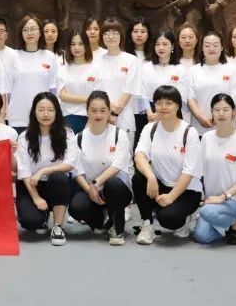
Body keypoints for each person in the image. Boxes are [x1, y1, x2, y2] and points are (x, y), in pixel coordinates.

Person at [133, 85, 203, 244]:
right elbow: (139, 155)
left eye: (169, 103)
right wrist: (150, 176)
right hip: (160, 184)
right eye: (159, 103)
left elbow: (189, 171)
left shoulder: (189, 132)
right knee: (139, 178)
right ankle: (147, 224)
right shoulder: (150, 128)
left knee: (168, 219)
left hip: (187, 190)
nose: (163, 107)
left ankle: (184, 219)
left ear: (178, 105)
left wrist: (171, 197)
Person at [69, 91, 134, 245]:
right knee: (76, 207)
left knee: (113, 183)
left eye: (103, 110)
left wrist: (95, 183)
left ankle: (117, 229)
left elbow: (117, 165)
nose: (98, 115)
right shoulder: (79, 138)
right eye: (94, 110)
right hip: (92, 190)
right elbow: (77, 170)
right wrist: (89, 189)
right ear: (87, 112)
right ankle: (100, 221)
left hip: (116, 189)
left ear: (109, 111)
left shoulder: (119, 135)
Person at [194, 94, 236, 244]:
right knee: (201, 236)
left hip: (235, 200)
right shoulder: (207, 138)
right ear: (211, 113)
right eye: (216, 110)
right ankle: (227, 222)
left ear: (234, 112)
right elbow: (200, 171)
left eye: (225, 109)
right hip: (211, 201)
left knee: (206, 212)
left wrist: (223, 197)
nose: (221, 113)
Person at [15, 93, 78, 245]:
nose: (45, 114)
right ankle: (41, 216)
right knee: (30, 222)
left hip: (56, 184)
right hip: (31, 184)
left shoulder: (67, 134)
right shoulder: (24, 137)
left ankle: (57, 227)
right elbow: (24, 171)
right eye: (41, 110)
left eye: (50, 110)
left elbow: (70, 164)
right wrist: (36, 197)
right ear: (34, 112)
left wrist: (43, 171)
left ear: (57, 112)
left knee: (58, 176)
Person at [5, 15, 63, 131]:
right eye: (25, 30)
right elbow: (8, 89)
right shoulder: (13, 56)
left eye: (33, 29)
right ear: (21, 34)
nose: (29, 33)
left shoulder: (49, 56)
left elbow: (52, 88)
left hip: (43, 117)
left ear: (40, 32)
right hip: (18, 116)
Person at [136, 30, 193, 137]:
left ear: (172, 46)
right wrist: (150, 114)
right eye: (157, 44)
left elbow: (182, 97)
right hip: (149, 115)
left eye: (165, 44)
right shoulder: (146, 68)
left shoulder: (180, 69)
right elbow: (140, 94)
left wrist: (160, 114)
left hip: (173, 114)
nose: (161, 47)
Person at [187, 32, 236, 135]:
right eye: (207, 45)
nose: (211, 49)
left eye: (215, 45)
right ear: (202, 48)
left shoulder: (231, 70)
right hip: (200, 128)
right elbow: (190, 98)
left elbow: (235, 98)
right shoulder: (193, 71)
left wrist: (218, 115)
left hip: (227, 129)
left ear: (222, 48)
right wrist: (200, 117)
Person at [97, 18, 142, 136]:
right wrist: (105, 112)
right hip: (100, 117)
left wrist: (114, 114)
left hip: (124, 119)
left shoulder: (131, 60)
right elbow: (95, 90)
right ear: (101, 37)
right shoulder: (96, 61)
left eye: (115, 33)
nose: (110, 37)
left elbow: (129, 89)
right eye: (106, 33)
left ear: (121, 35)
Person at [59, 29, 103, 133]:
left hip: (90, 118)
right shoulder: (62, 69)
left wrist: (90, 121)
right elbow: (63, 95)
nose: (77, 48)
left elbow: (99, 97)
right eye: (73, 44)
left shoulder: (96, 68)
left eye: (80, 44)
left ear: (86, 45)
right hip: (67, 117)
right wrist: (90, 98)